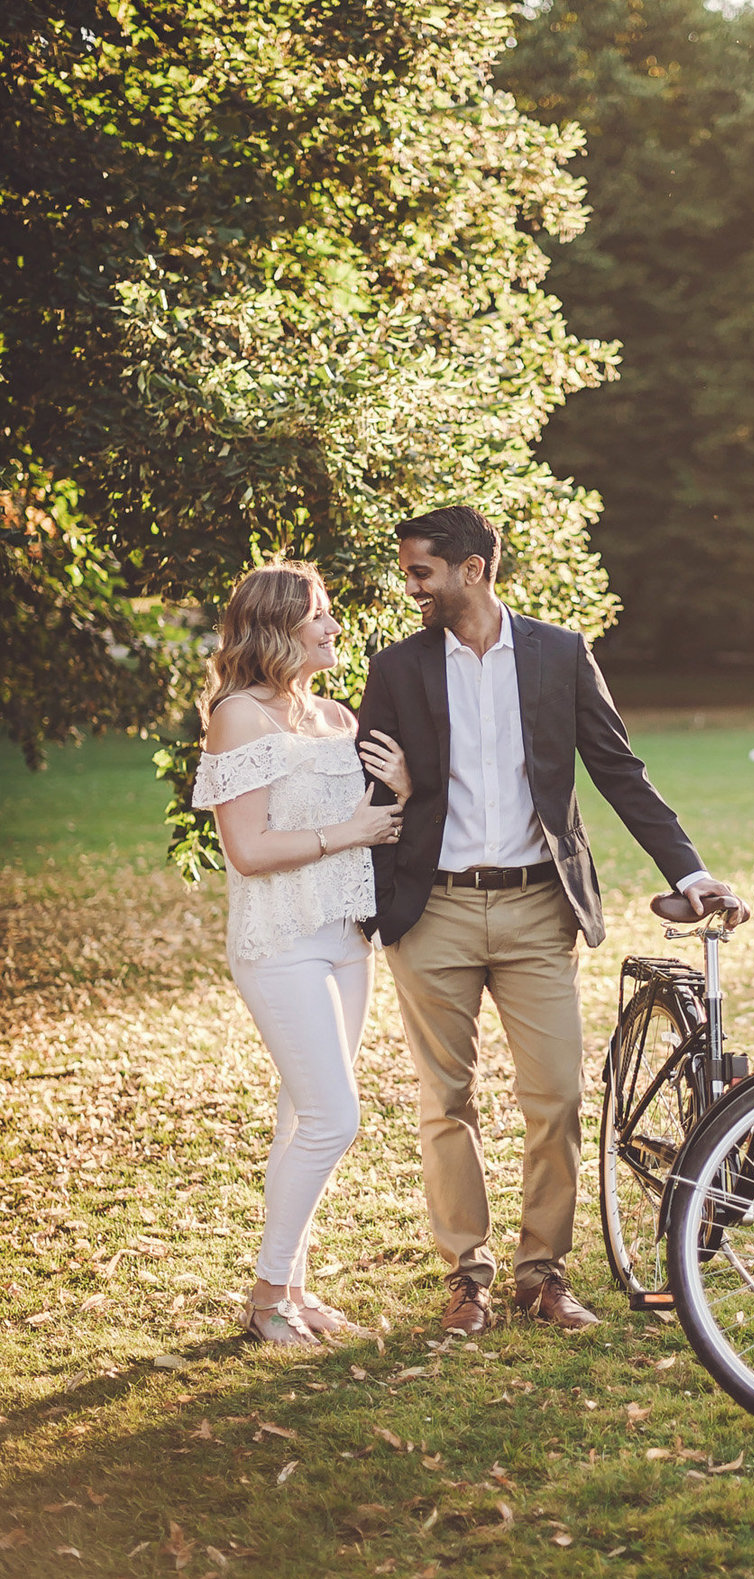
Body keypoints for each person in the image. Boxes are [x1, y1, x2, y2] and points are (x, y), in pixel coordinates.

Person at [356, 506, 747, 1335]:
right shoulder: (395, 665)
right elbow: (371, 791)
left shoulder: (561, 653)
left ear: (473, 569)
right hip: (434, 911)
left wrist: (691, 868)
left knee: (558, 1096)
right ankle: (468, 1273)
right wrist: (377, 898)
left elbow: (617, 769)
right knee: (445, 1098)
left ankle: (542, 1271)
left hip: (540, 906)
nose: (411, 587)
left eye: (421, 571)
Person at [192, 561, 411, 1348]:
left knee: (299, 1120)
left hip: (345, 937)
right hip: (278, 941)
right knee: (334, 1117)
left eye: (329, 613)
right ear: (276, 627)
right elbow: (247, 848)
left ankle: (291, 1288)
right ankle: (264, 1297)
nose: (332, 627)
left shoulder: (338, 719)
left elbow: (374, 820)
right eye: (317, 615)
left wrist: (403, 790)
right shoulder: (238, 716)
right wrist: (347, 831)